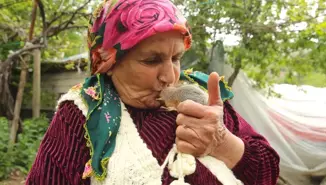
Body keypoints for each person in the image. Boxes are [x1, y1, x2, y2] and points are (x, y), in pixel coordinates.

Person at [26, 0, 280, 184]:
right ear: (109, 63)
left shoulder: (201, 99)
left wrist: (223, 143)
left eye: (177, 57)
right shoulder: (83, 113)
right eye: (151, 60)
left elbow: (267, 172)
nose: (170, 76)